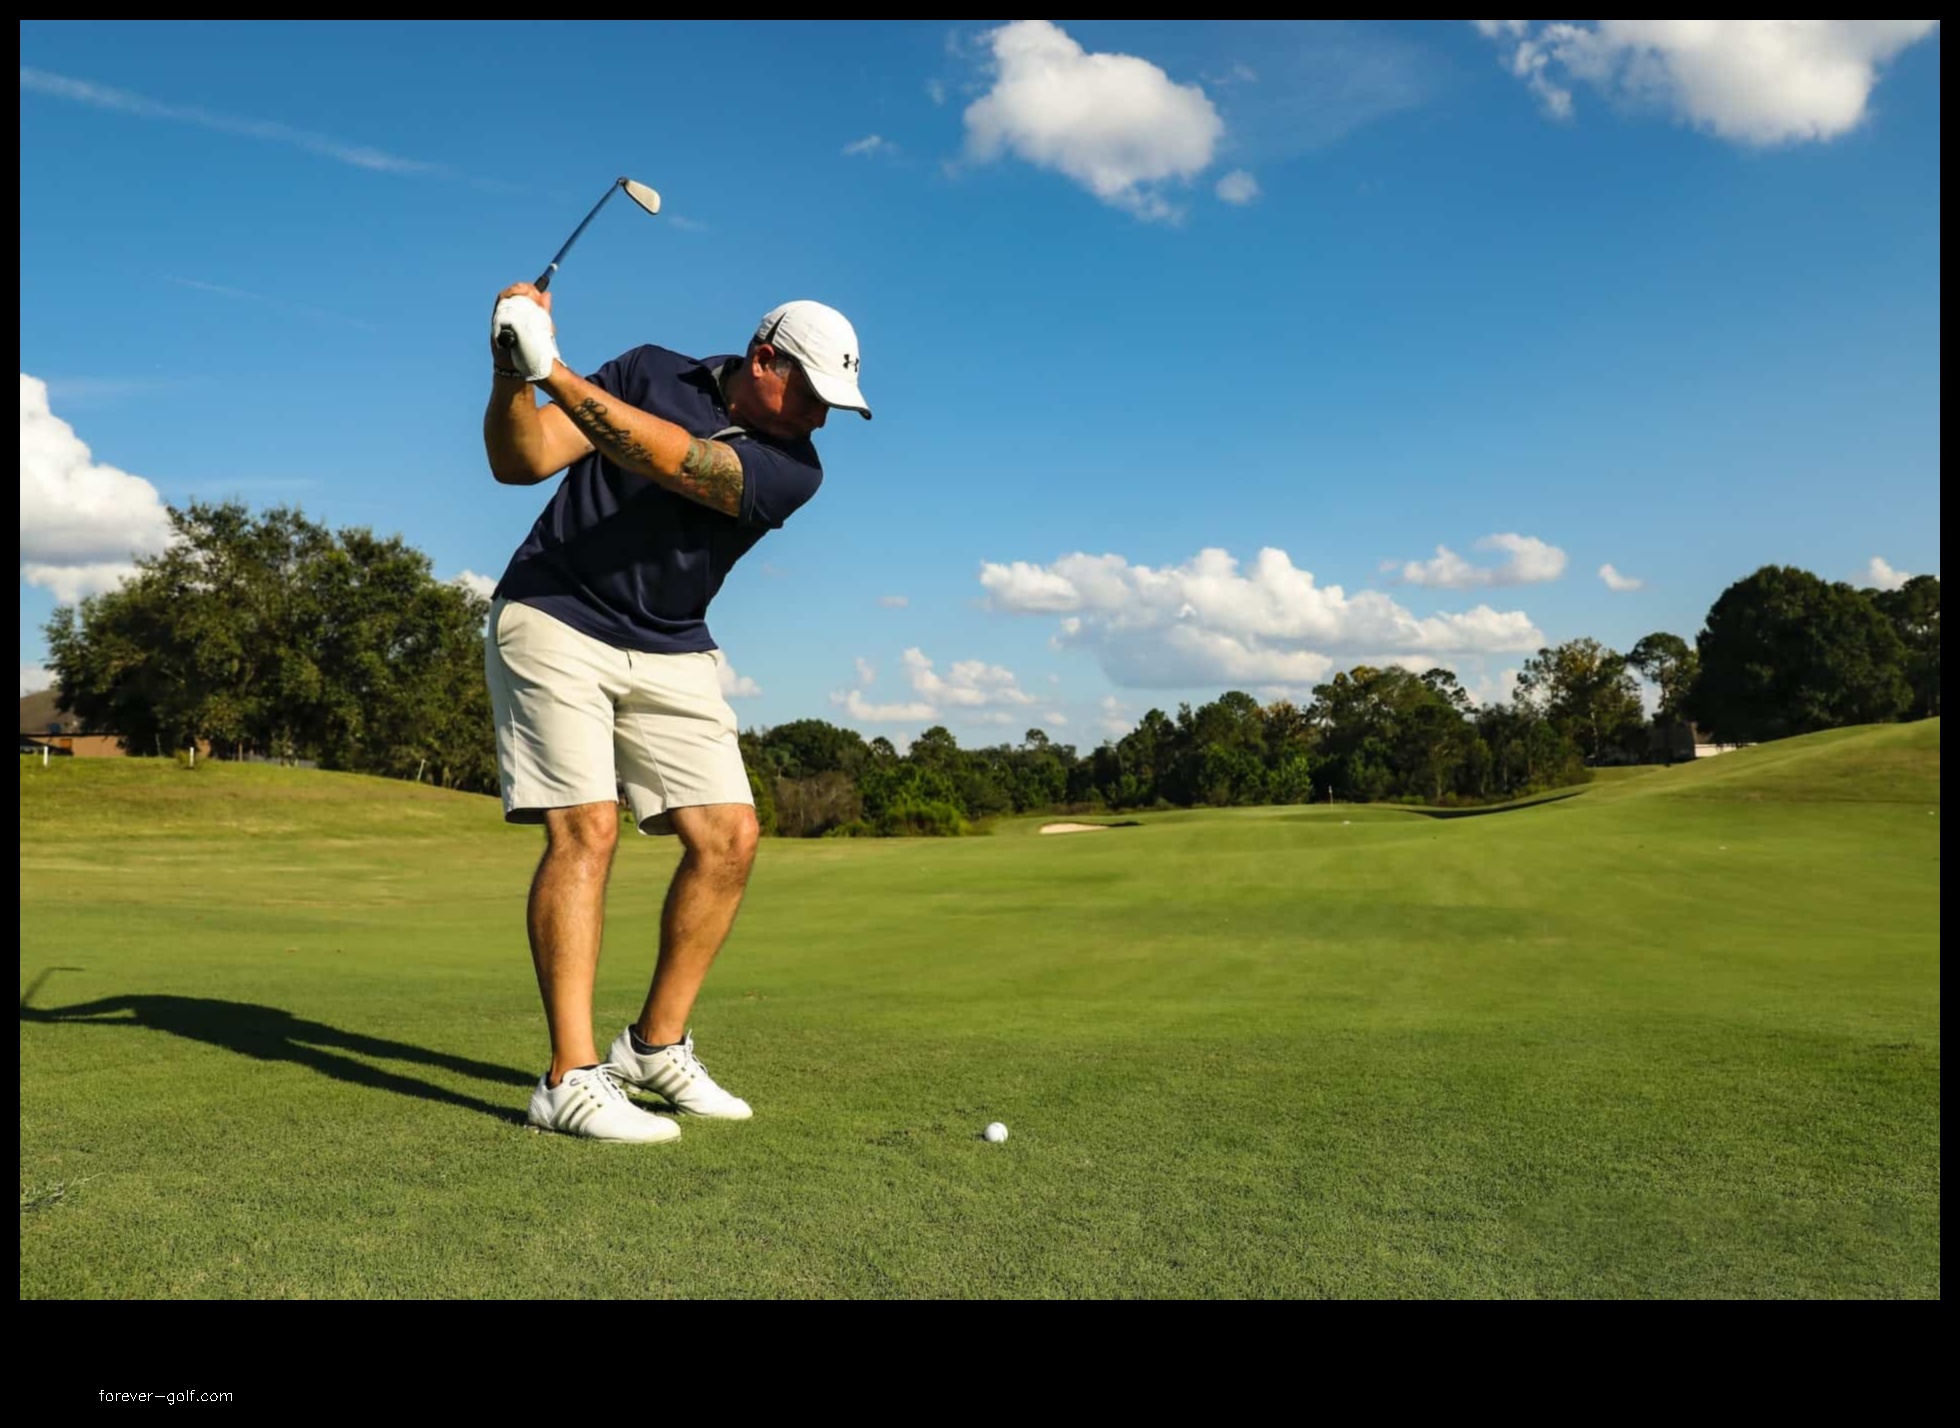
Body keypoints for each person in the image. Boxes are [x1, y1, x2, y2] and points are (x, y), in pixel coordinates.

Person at [482, 282, 870, 1142]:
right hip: (552, 612)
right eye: (808, 393)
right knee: (587, 829)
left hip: (670, 642)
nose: (818, 417)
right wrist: (514, 374)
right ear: (763, 359)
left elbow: (675, 462)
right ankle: (570, 1078)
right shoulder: (650, 369)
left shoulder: (795, 469)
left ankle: (654, 1047)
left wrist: (555, 370)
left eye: (834, 405)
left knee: (728, 835)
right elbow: (523, 462)